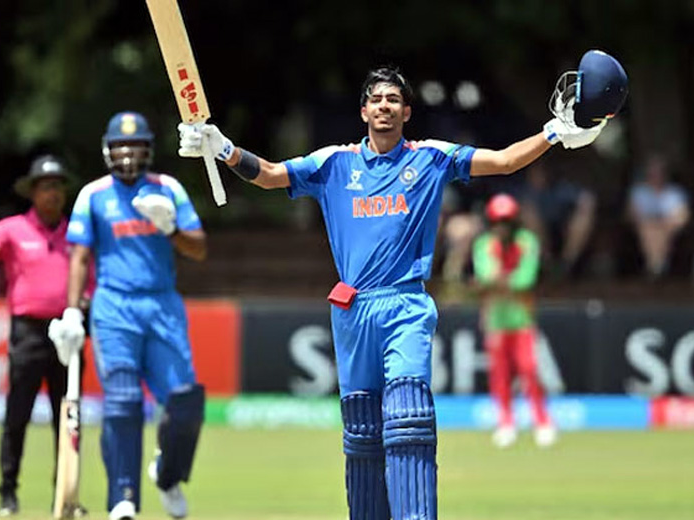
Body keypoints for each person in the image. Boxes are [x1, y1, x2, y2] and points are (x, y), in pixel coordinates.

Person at [177, 62, 615, 519]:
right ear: (363, 111)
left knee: (409, 420)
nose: (384, 106)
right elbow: (268, 174)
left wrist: (553, 133)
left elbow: (504, 161)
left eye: (393, 100)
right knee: (362, 435)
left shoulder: (430, 158)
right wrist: (222, 148)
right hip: (352, 310)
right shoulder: (334, 163)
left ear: (406, 112)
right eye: (376, 100)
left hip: (405, 303)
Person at [48, 112, 207, 520]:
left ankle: (167, 475)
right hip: (114, 307)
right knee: (122, 403)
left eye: (136, 146)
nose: (128, 154)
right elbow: (79, 256)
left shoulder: (168, 188)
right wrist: (71, 311)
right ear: (108, 150)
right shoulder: (93, 195)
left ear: (149, 149)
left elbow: (199, 248)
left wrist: (170, 229)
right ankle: (123, 496)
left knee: (186, 403)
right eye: (121, 146)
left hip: (162, 306)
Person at [0, 155, 89, 517]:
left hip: (67, 330)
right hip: (28, 331)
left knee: (68, 417)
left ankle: (65, 494)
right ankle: (8, 491)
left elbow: (90, 274)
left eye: (58, 186)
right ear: (33, 192)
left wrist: (85, 302)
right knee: (17, 413)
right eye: (46, 187)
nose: (53, 193)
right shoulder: (13, 228)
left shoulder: (76, 231)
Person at [472, 194, 555, 449]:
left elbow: (525, 279)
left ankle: (542, 421)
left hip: (522, 318)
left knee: (529, 369)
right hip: (496, 319)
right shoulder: (484, 244)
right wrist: (502, 280)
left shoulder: (527, 241)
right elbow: (485, 275)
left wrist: (498, 281)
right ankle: (506, 423)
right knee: (500, 375)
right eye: (497, 221)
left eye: (506, 221)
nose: (502, 227)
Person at [518, 161, 596, 278]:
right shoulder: (522, 189)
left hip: (562, 229)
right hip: (536, 241)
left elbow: (585, 199)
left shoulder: (563, 187)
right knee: (527, 213)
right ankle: (546, 265)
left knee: (585, 208)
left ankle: (565, 266)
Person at [627, 154, 691, 279]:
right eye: (653, 173)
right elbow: (631, 214)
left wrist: (665, 222)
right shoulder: (638, 192)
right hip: (646, 225)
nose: (656, 176)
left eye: (659, 172)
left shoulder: (675, 192)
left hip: (669, 227)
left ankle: (654, 267)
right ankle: (658, 266)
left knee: (662, 230)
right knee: (649, 229)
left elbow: (684, 215)